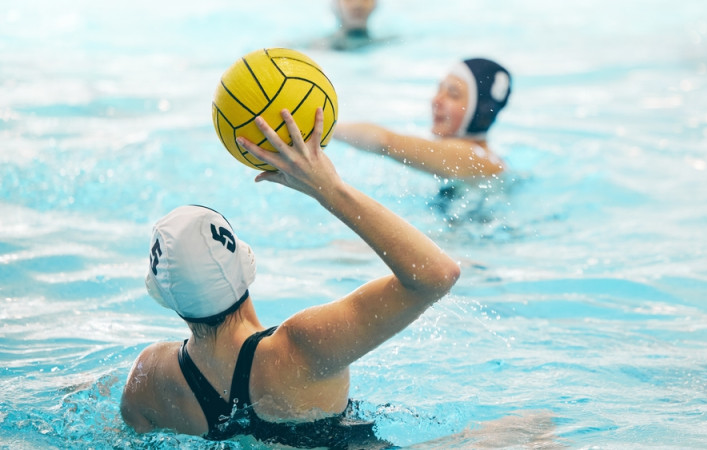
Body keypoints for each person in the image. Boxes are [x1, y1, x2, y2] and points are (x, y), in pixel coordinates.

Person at [120, 108, 461, 448]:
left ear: (162, 294)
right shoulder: (301, 350)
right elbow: (435, 275)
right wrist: (329, 189)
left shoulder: (148, 379)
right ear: (246, 262)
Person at [333, 58, 512, 182]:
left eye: (453, 94)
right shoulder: (482, 158)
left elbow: (385, 142)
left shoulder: (472, 157)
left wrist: (326, 127)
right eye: (439, 89)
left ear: (479, 112)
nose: (436, 101)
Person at [312, 0, 380, 51]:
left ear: (375, 4)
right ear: (336, 4)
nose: (357, 4)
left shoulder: (383, 45)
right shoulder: (318, 48)